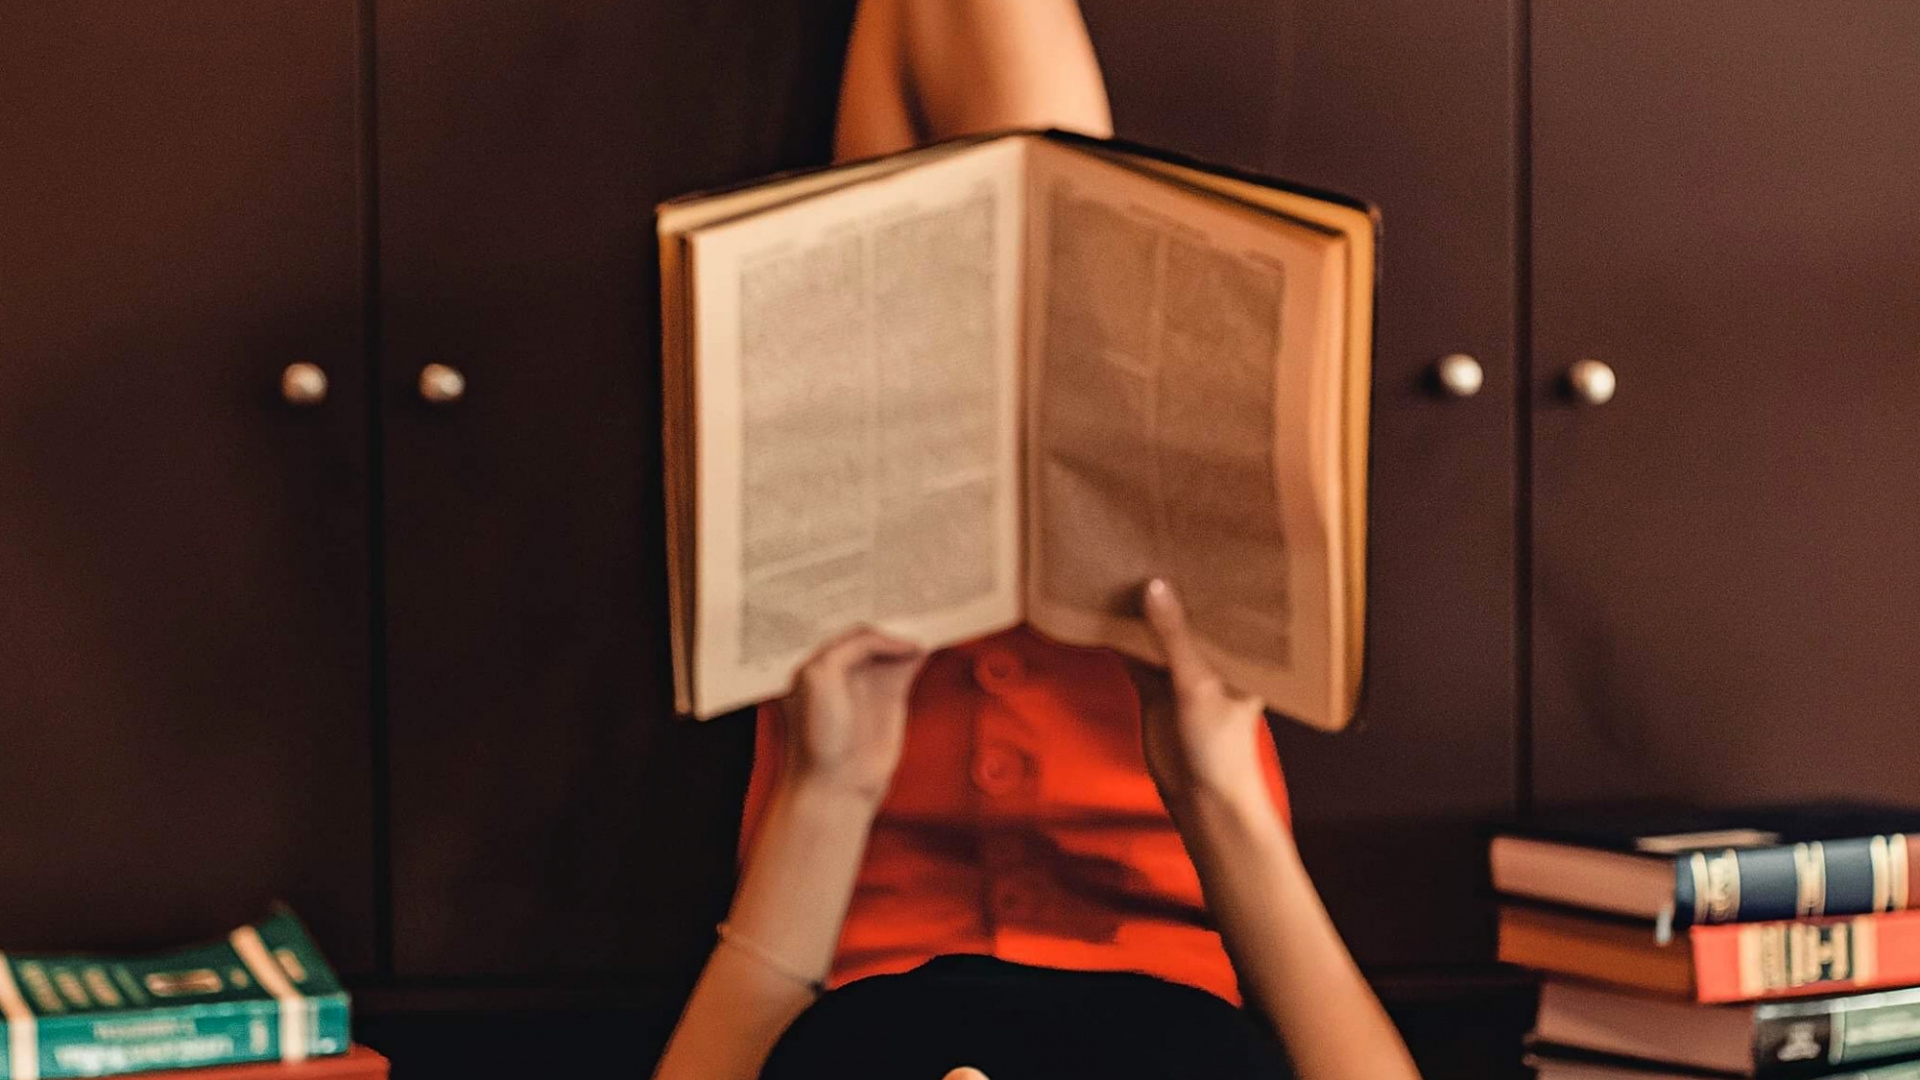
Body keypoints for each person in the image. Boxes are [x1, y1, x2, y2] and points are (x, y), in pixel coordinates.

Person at [653, 3, 1423, 1078]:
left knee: (891, 224)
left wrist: (828, 791)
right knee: (1045, 249)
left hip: (858, 821)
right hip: (1148, 764)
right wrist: (1215, 790)